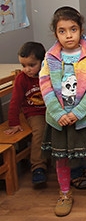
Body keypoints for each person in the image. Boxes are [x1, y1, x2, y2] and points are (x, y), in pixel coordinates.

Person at [40, 7, 86, 216]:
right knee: (61, 160)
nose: (68, 35)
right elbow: (45, 86)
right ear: (55, 33)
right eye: (62, 31)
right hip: (58, 120)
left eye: (73, 29)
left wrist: (77, 113)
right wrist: (58, 113)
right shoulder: (50, 57)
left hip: (84, 119)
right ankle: (64, 194)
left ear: (81, 30)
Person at [5, 41, 48, 186]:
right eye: (23, 65)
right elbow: (15, 102)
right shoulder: (21, 79)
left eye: (31, 65)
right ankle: (38, 167)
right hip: (34, 113)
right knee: (40, 131)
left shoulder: (49, 74)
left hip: (51, 110)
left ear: (42, 61)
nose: (26, 69)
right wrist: (14, 123)